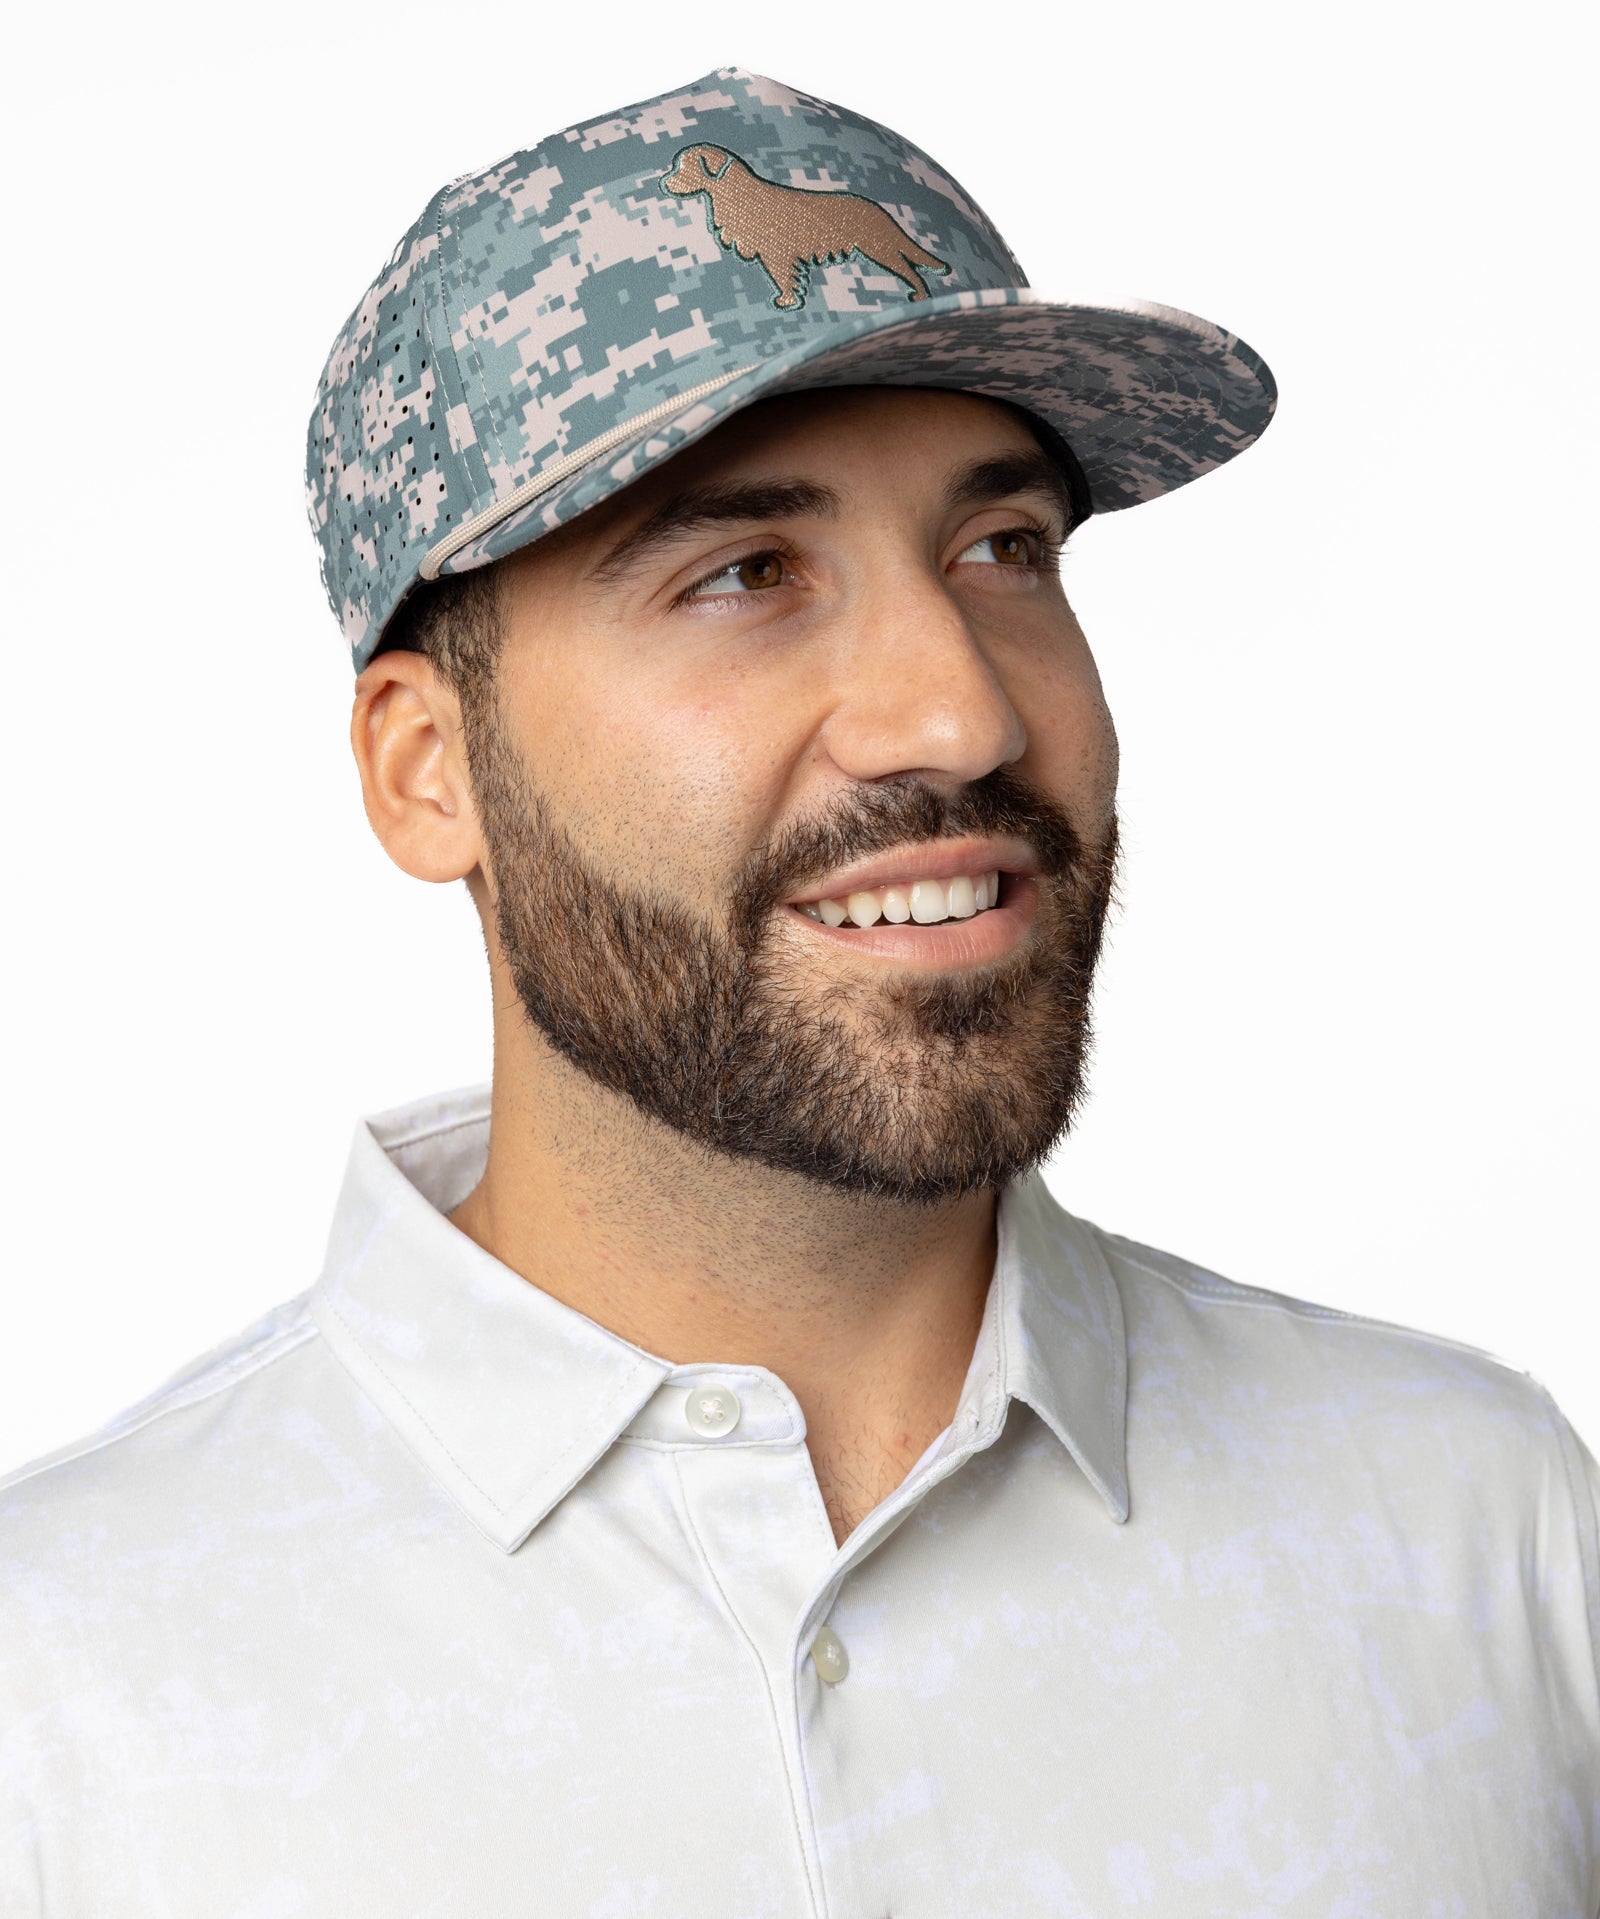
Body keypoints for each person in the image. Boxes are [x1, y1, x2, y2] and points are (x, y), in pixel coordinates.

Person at [2, 63, 1595, 1917]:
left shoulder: (1483, 1537)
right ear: (431, 773)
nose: (962, 712)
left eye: (1003, 551)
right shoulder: (66, 1697)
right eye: (746, 572)